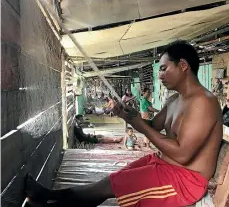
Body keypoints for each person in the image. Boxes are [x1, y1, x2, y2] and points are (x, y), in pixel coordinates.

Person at [25, 40, 223, 207]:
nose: (159, 75)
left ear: (183, 65)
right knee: (111, 181)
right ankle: (49, 196)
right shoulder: (174, 100)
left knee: (111, 186)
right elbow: (153, 125)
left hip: (186, 180)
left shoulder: (203, 102)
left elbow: (183, 154)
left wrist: (138, 124)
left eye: (163, 68)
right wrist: (129, 116)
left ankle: (48, 199)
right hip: (164, 164)